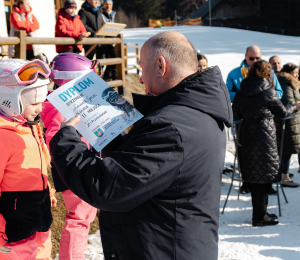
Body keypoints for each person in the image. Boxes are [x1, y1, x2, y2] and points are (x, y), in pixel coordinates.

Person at [49, 31, 232, 260]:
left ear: (160, 66)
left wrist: (65, 140)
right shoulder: (197, 111)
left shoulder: (170, 127)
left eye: (142, 68)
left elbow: (106, 188)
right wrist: (112, 137)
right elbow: (151, 171)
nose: (142, 79)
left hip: (163, 249)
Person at [41, 53, 102, 260]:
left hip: (78, 164)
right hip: (72, 168)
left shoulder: (66, 106)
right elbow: (55, 139)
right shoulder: (61, 109)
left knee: (84, 216)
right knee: (79, 218)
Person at [232, 60, 300, 227]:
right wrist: (295, 106)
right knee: (264, 175)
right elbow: (282, 112)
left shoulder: (241, 91)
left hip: (247, 135)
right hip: (265, 136)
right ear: (266, 73)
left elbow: (235, 114)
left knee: (254, 174)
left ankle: (259, 214)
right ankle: (260, 216)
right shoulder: (269, 91)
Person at [0, 59, 56, 259]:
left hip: (38, 222)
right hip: (11, 237)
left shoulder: (29, 125)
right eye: (34, 102)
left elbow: (36, 165)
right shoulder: (3, 136)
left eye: (42, 100)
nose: (40, 108)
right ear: (9, 99)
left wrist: (46, 191)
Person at [226, 45, 283, 195]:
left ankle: (267, 184)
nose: (254, 61)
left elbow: (279, 92)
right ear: (245, 56)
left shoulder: (269, 73)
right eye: (251, 58)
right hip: (243, 121)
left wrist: (263, 97)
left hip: (265, 121)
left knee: (267, 154)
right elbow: (227, 93)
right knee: (245, 153)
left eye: (257, 58)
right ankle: (246, 182)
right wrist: (245, 96)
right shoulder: (235, 73)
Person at [276, 63, 300, 187]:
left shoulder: (291, 83)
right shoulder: (286, 84)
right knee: (286, 150)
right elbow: (290, 103)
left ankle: (284, 175)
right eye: (294, 72)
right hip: (289, 123)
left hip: (294, 122)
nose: (297, 75)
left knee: (289, 149)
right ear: (288, 73)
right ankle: (284, 177)